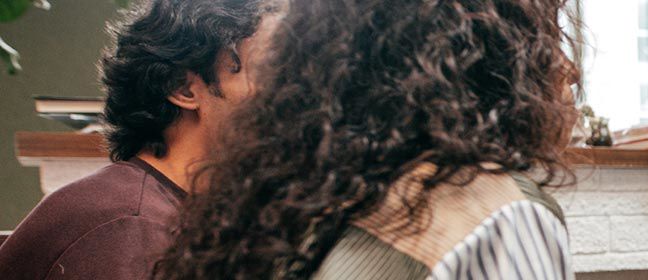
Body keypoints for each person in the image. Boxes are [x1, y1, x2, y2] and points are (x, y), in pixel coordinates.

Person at [155, 0, 582, 278]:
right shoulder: (500, 216)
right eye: (549, 32)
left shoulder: (288, 196)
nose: (567, 66)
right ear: (502, 51)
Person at [0, 0, 280, 278]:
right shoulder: (129, 228)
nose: (292, 92)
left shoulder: (176, 213)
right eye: (269, 70)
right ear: (183, 88)